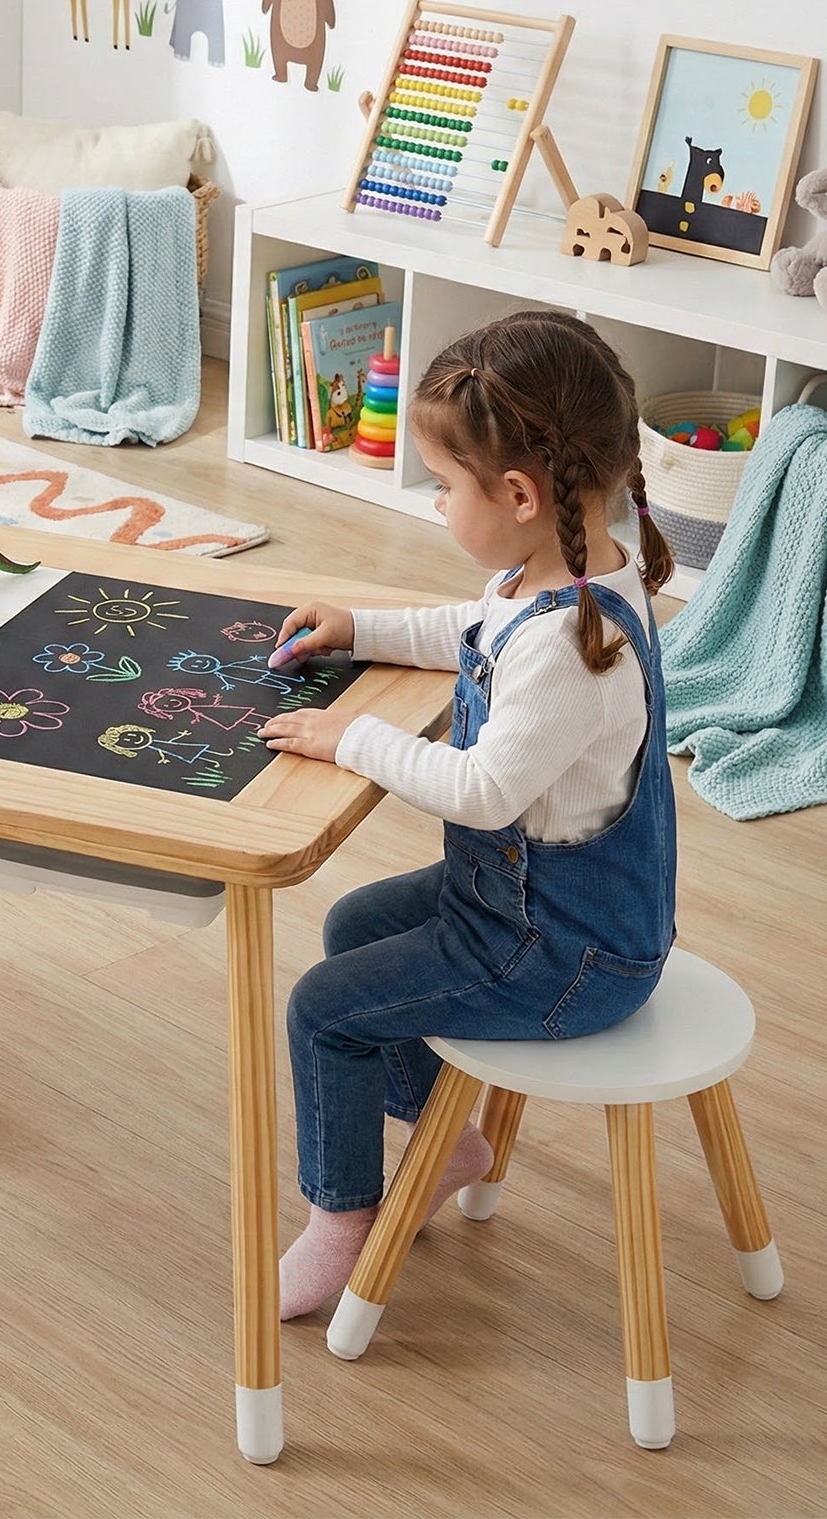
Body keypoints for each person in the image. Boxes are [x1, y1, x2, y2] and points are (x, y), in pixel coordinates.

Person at [258, 310, 677, 1319]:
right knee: (355, 924)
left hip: (563, 948)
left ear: (520, 494)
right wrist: (361, 628)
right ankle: (444, 1139)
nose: (438, 501)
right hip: (533, 906)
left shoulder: (571, 647)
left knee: (323, 1008)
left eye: (445, 485)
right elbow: (475, 628)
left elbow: (482, 789)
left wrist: (351, 737)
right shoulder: (562, 573)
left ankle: (342, 1217)